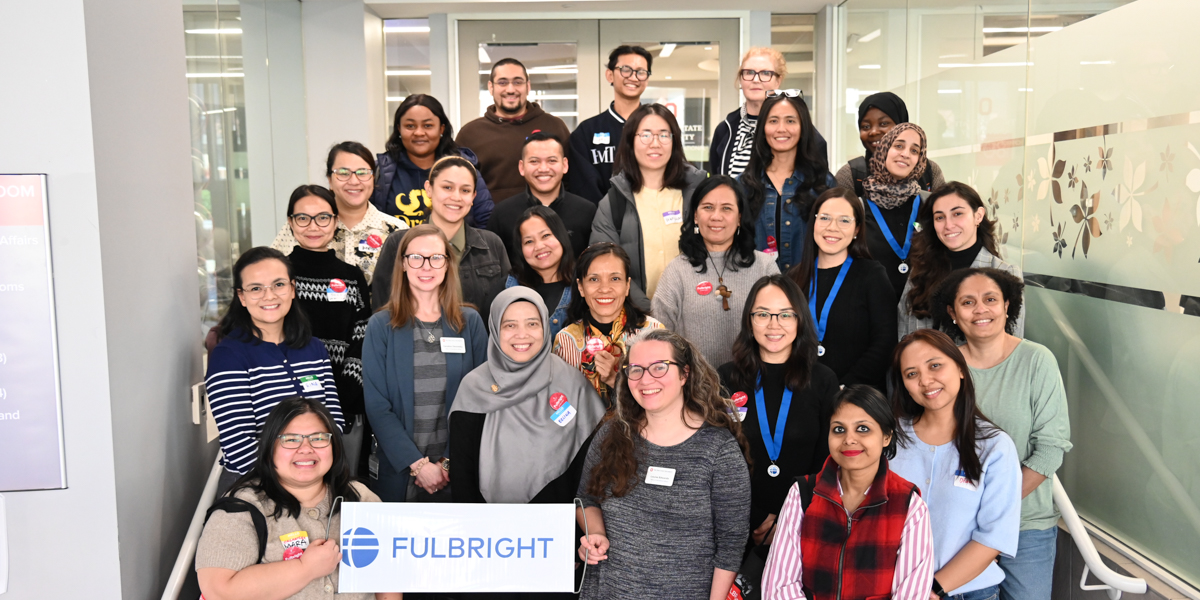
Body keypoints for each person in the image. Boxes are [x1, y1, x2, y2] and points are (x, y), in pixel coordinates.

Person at [576, 328, 751, 599]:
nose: (646, 379)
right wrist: (596, 534)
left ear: (685, 374)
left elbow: (731, 545)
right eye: (635, 369)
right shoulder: (611, 434)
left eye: (659, 367)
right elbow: (586, 499)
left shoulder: (718, 450)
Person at [932, 268, 1072, 600]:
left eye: (990, 299)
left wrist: (995, 507)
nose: (981, 310)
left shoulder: (1037, 361)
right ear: (952, 313)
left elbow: (1050, 450)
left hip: (1027, 525)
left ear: (1007, 306)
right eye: (968, 302)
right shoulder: (942, 366)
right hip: (957, 530)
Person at [196, 397, 400, 600]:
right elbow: (219, 590)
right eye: (291, 439)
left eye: (318, 438)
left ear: (334, 446)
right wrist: (305, 569)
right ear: (270, 449)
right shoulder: (241, 509)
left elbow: (387, 577)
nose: (306, 449)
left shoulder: (361, 497)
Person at [760, 385, 935, 600]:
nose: (849, 439)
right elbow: (779, 586)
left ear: (887, 437)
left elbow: (912, 594)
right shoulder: (803, 493)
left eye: (863, 428)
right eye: (839, 429)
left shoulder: (909, 504)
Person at [890, 329, 1022, 600]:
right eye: (911, 374)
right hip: (894, 590)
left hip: (969, 593)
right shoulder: (889, 439)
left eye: (935, 366)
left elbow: (994, 536)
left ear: (961, 368)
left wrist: (933, 590)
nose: (926, 381)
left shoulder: (995, 447)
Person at [362, 225, 488, 503]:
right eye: (416, 257)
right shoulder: (381, 326)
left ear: (447, 264)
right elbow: (377, 406)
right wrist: (418, 465)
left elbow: (481, 401)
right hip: (400, 474)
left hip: (457, 472)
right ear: (404, 264)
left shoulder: (470, 323)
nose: (426, 266)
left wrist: (446, 464)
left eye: (436, 258)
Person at [206, 247, 346, 494]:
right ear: (242, 296)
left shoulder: (314, 348)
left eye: (278, 284)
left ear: (292, 289)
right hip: (254, 485)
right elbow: (238, 446)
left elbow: (334, 423)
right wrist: (295, 484)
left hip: (316, 483)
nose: (269, 296)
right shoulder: (228, 355)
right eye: (256, 288)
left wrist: (312, 476)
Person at [450, 287, 605, 509]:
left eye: (532, 323)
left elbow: (590, 470)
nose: (522, 334)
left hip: (560, 527)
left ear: (544, 326)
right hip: (490, 530)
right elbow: (463, 477)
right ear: (494, 329)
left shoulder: (572, 384)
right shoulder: (474, 388)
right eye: (509, 325)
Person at [717, 275, 839, 549]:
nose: (774, 324)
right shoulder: (725, 378)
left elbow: (828, 458)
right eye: (763, 314)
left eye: (785, 314)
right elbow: (719, 461)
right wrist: (758, 517)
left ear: (800, 320)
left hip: (804, 521)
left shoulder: (822, 379)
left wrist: (788, 518)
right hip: (738, 522)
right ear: (749, 320)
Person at [283, 184, 372, 474]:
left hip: (343, 403)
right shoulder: (280, 274)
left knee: (340, 486)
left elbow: (362, 333)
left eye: (322, 217)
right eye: (303, 218)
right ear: (290, 223)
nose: (313, 226)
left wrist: (344, 392)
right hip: (287, 401)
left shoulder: (350, 275)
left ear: (335, 221)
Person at [589, 103, 707, 311]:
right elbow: (606, 268)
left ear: (674, 141)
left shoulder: (698, 192)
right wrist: (650, 313)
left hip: (696, 309)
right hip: (638, 316)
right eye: (645, 135)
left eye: (664, 135)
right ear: (630, 141)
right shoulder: (613, 202)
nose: (655, 143)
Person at [652, 176, 780, 367]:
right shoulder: (677, 271)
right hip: (694, 388)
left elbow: (781, 327)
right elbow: (658, 338)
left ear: (739, 217)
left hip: (755, 383)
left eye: (726, 208)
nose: (716, 216)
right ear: (695, 215)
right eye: (708, 207)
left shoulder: (765, 267)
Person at [371, 156, 509, 322]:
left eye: (465, 190)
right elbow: (382, 310)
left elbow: (507, 309)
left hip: (480, 346)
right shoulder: (398, 243)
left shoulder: (491, 244)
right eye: (447, 187)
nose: (456, 197)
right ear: (429, 189)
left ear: (473, 197)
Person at [788, 187, 896, 392]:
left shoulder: (872, 275)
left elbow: (885, 343)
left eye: (844, 220)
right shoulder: (793, 278)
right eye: (825, 218)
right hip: (801, 393)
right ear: (814, 224)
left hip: (857, 396)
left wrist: (844, 388)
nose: (832, 227)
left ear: (857, 230)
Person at [899, 181, 1023, 338]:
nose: (948, 225)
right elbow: (904, 332)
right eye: (940, 217)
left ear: (978, 216)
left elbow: (1013, 341)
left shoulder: (1005, 272)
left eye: (957, 214)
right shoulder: (921, 270)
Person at [272, 141, 407, 284]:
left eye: (362, 173)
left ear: (373, 178)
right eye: (343, 173)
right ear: (329, 180)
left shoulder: (396, 230)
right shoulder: (305, 225)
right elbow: (271, 273)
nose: (354, 181)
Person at [553, 242, 665, 404]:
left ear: (627, 286)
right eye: (594, 279)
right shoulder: (565, 341)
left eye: (615, 278)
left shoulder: (654, 333)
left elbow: (666, 396)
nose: (605, 289)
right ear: (581, 287)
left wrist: (615, 378)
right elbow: (559, 402)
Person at [738, 91, 835, 272]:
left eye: (790, 121)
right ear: (763, 128)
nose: (781, 129)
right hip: (756, 290)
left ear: (803, 127)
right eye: (773, 121)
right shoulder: (742, 186)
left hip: (808, 291)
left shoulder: (823, 184)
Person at [456, 58, 572, 203]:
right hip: (488, 223)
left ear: (528, 86)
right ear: (491, 87)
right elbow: (459, 186)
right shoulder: (470, 134)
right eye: (502, 82)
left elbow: (570, 181)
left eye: (518, 82)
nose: (510, 89)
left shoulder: (554, 126)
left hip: (548, 220)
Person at [371, 94, 493, 229]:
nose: (419, 132)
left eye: (428, 125)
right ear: (399, 129)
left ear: (441, 129)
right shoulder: (379, 172)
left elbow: (486, 222)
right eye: (410, 126)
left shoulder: (464, 170)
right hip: (394, 249)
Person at [710, 47, 828, 178]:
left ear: (778, 81)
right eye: (749, 72)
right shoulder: (724, 130)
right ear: (740, 79)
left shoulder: (799, 131)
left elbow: (818, 183)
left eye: (765, 73)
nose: (756, 79)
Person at [487, 132, 596, 260]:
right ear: (521, 167)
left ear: (565, 165)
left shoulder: (586, 211)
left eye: (552, 160)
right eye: (534, 161)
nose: (543, 168)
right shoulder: (502, 213)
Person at [568, 45, 654, 203]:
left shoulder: (659, 128)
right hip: (600, 222)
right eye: (626, 70)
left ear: (647, 79)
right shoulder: (586, 132)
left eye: (641, 72)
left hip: (652, 218)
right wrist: (607, 217)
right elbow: (582, 185)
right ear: (610, 75)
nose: (634, 78)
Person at [858, 123, 930, 298]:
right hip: (871, 308)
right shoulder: (858, 206)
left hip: (919, 309)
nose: (905, 154)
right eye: (898, 146)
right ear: (884, 149)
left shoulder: (930, 203)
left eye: (915, 151)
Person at [834, 92, 945, 198]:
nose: (873, 132)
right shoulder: (851, 175)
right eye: (866, 126)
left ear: (901, 126)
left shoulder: (929, 171)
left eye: (883, 124)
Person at [504, 206, 576, 337]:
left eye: (546, 236)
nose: (539, 246)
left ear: (561, 236)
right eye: (529, 241)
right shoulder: (506, 288)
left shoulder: (584, 285)